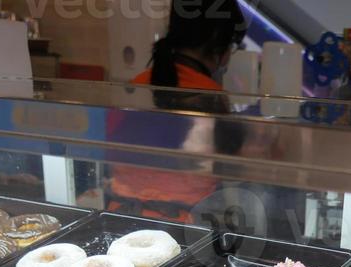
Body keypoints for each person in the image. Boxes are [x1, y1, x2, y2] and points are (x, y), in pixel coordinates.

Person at [105, 0, 247, 223]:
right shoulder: (212, 98)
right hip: (184, 229)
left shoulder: (133, 86)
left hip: (120, 218)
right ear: (218, 41)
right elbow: (231, 171)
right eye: (232, 45)